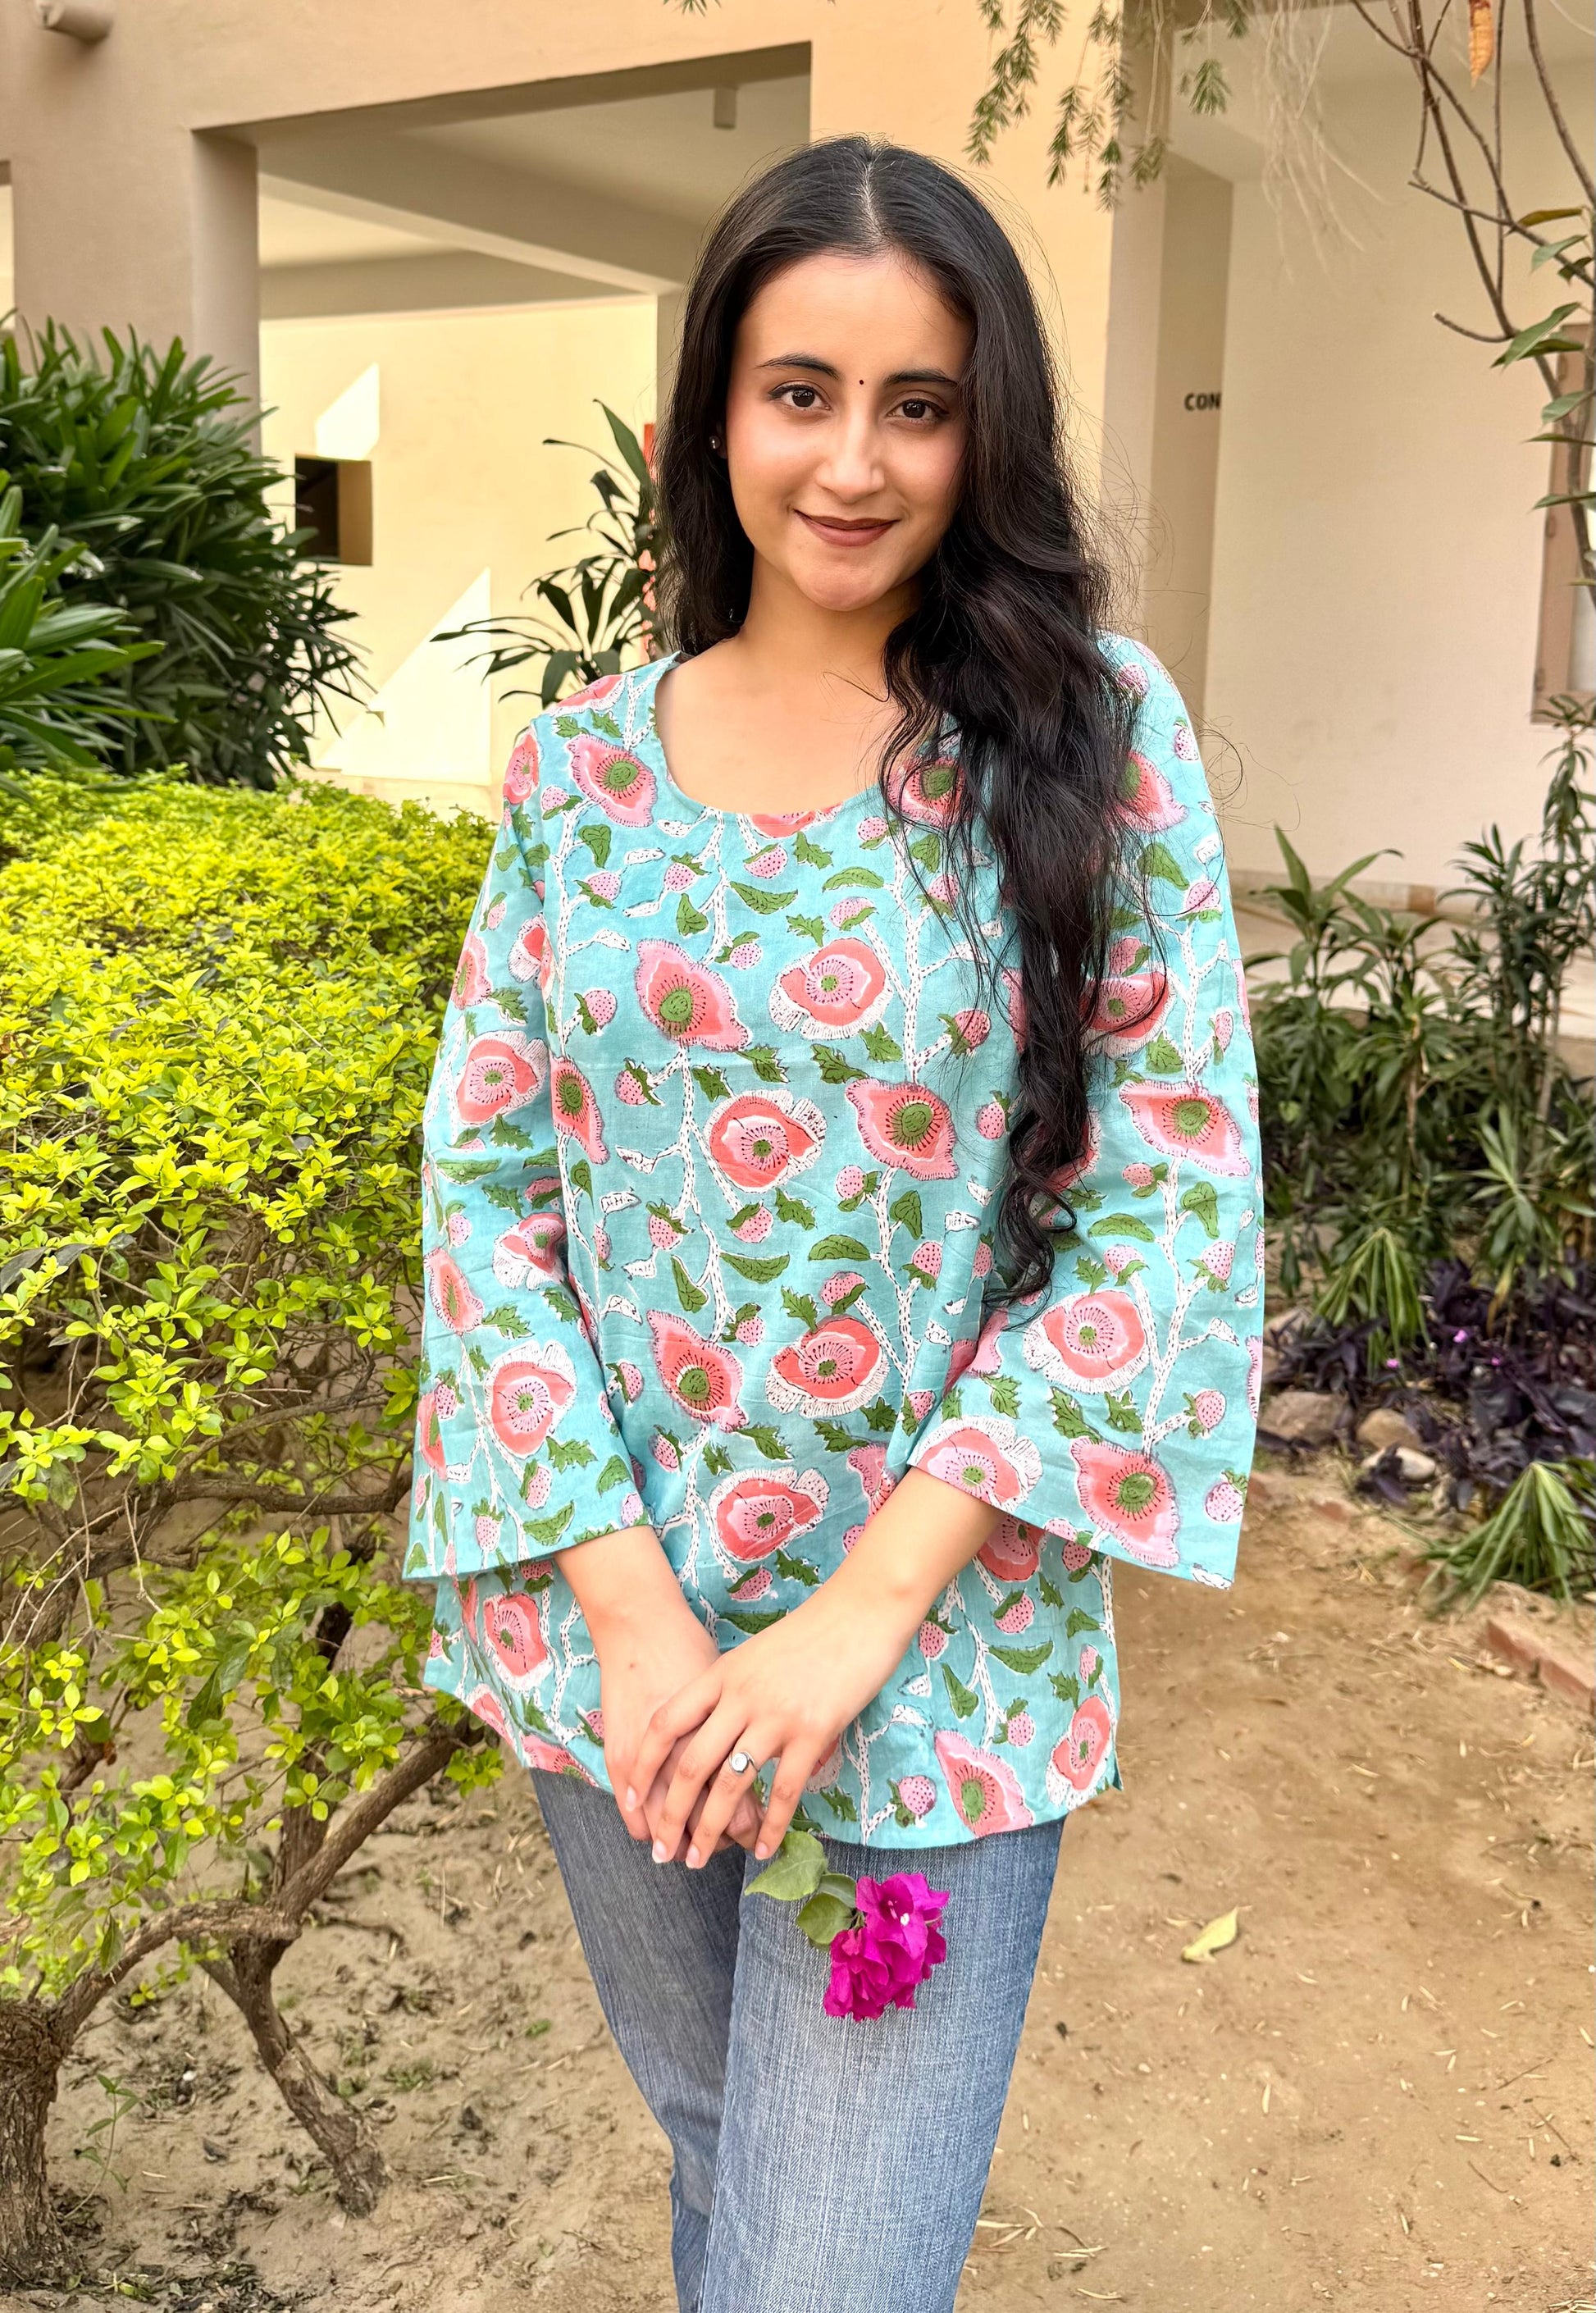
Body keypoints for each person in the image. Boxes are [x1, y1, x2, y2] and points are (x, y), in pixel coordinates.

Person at [404, 134, 1263, 2313]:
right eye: (801, 391)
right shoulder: (581, 770)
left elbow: (1158, 1206)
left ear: (986, 429)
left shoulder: (1089, 735)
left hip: (931, 1659)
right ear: (712, 411)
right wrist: (629, 1617)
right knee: (728, 2173)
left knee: (815, 2271)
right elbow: (490, 1183)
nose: (854, 461)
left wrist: (859, 1614)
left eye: (918, 400)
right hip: (625, 1659)